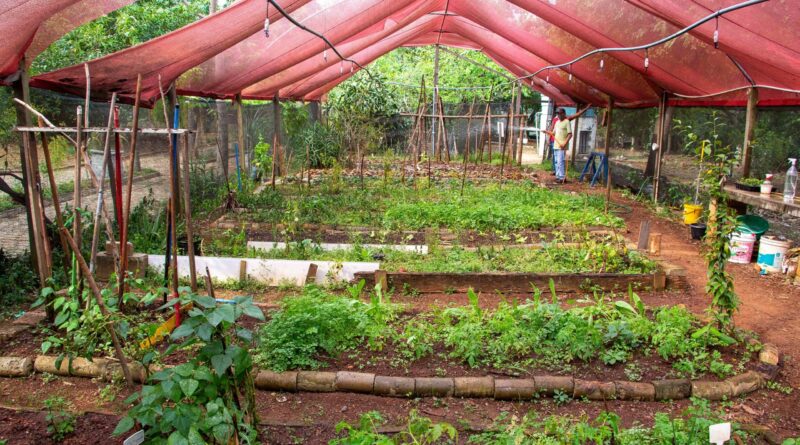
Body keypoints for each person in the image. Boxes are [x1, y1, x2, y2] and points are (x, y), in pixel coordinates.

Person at [542, 105, 590, 183]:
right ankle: (558, 176)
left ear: (564, 114)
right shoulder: (557, 122)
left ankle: (562, 178)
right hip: (556, 145)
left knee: (560, 162)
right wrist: (546, 131)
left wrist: (564, 143)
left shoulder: (566, 121)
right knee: (557, 162)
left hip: (562, 146)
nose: (559, 115)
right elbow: (553, 133)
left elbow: (570, 134)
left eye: (560, 114)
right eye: (558, 114)